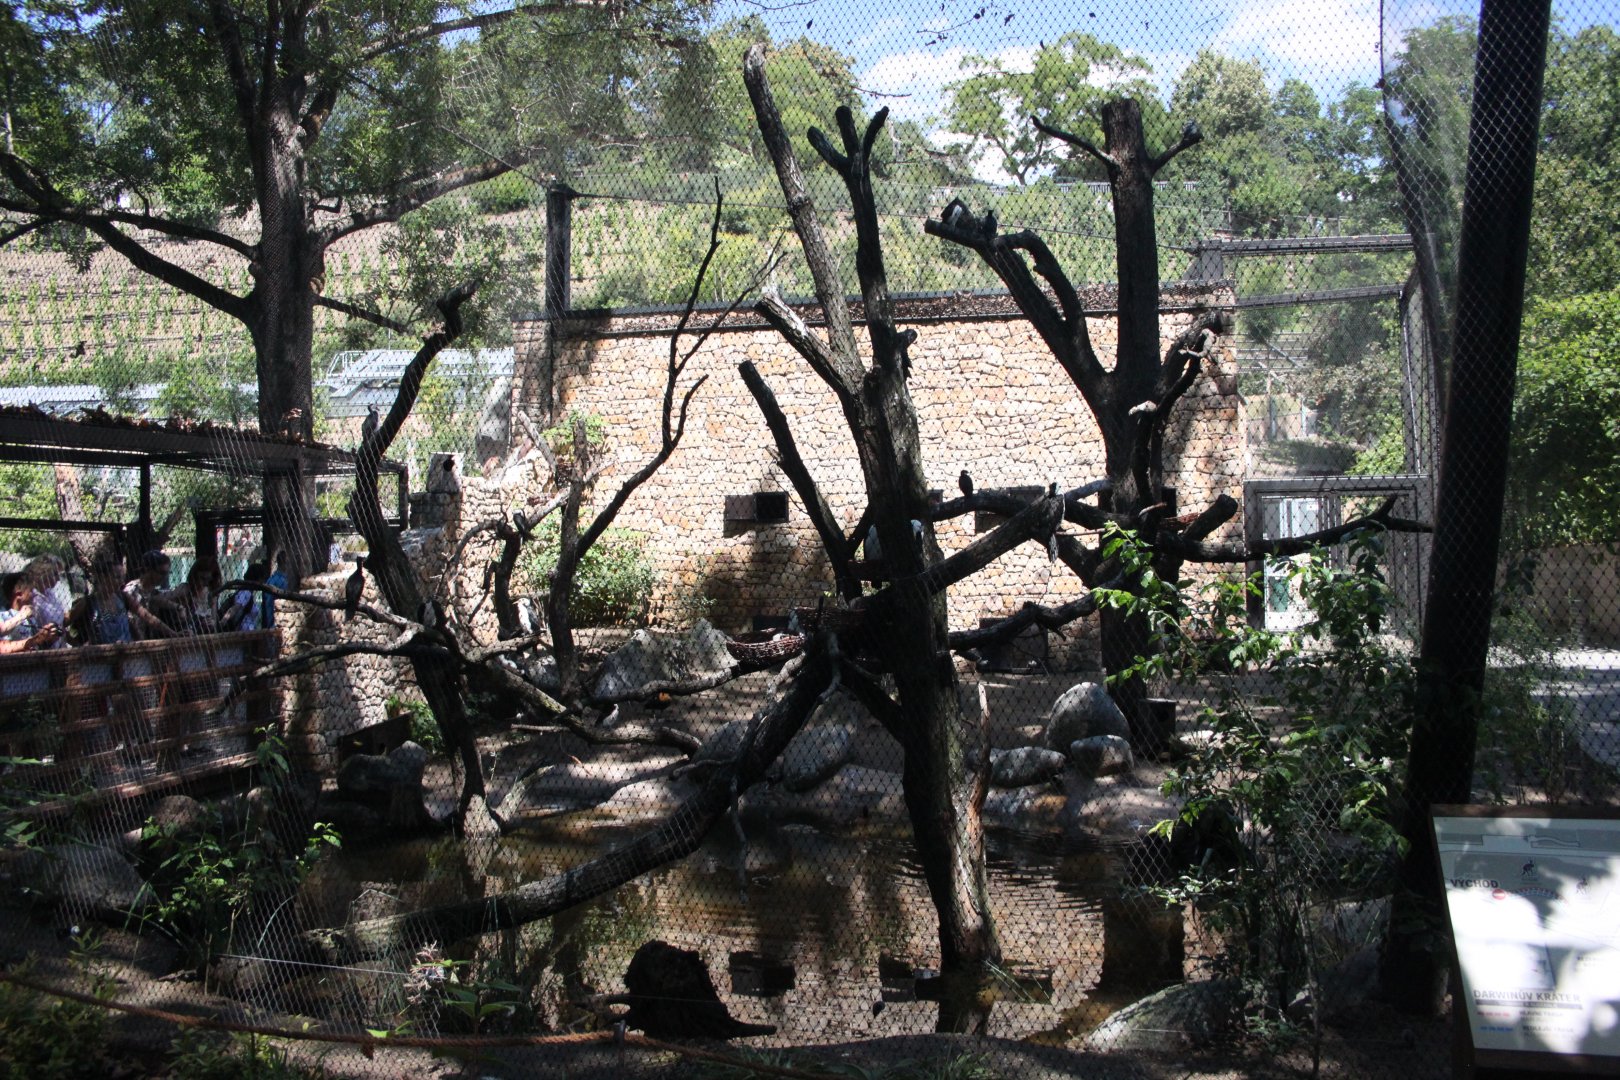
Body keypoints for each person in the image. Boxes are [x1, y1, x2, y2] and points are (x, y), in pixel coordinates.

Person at [67, 557, 136, 646]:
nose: (122, 582)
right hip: (101, 656)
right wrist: (79, 647)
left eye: (123, 577)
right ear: (103, 577)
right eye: (117, 577)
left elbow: (144, 615)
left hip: (127, 654)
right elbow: (63, 624)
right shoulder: (88, 602)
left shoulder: (122, 597)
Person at [1, 571, 62, 653]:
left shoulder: (31, 619)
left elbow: (37, 645)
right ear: (19, 594)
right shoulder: (4, 616)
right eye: (31, 591)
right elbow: (4, 646)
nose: (34, 594)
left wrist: (48, 638)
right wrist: (21, 615)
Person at [124, 550, 179, 639]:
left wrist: (178, 607)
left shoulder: (154, 591)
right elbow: (131, 622)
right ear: (148, 569)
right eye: (162, 573)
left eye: (167, 573)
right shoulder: (132, 590)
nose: (165, 577)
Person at [166, 559, 222, 636]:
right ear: (195, 576)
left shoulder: (211, 594)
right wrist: (178, 607)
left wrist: (212, 622)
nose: (204, 582)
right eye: (202, 578)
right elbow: (160, 599)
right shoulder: (185, 589)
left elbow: (214, 621)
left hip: (204, 638)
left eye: (208, 579)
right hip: (184, 636)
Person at [25, 557, 68, 647]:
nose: (58, 579)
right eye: (55, 574)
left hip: (60, 646)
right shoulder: (30, 597)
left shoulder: (50, 594)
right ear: (43, 573)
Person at [219, 561, 271, 632]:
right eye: (262, 578)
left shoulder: (249, 592)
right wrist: (223, 622)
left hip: (247, 632)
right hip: (242, 632)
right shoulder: (246, 592)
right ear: (258, 578)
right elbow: (234, 608)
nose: (263, 582)